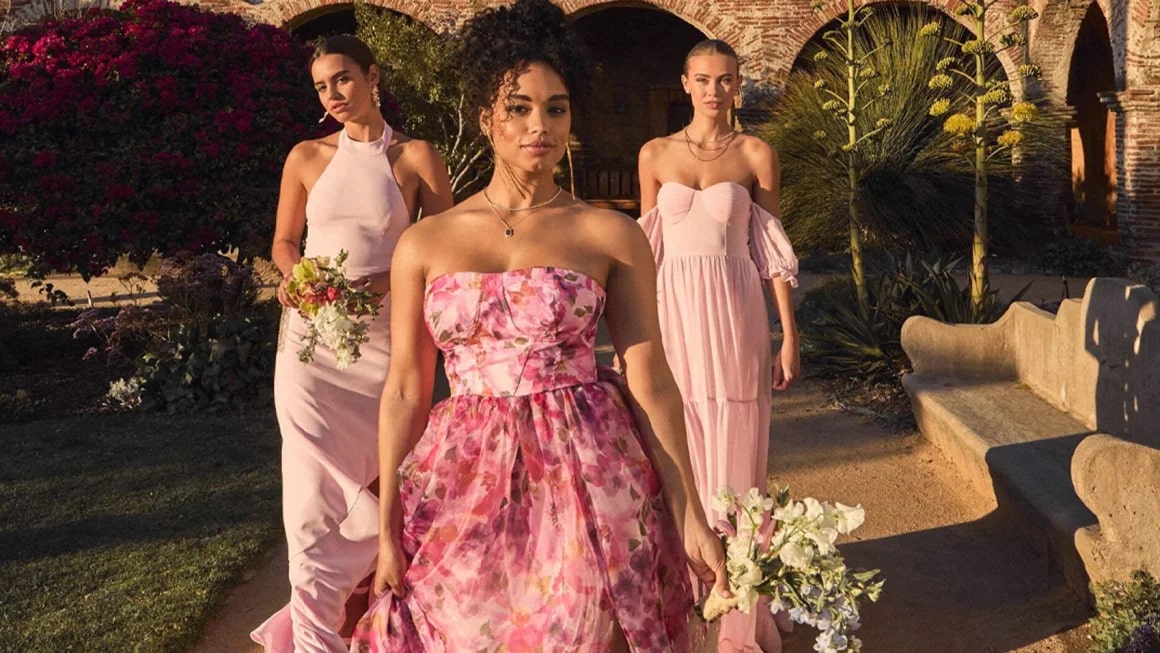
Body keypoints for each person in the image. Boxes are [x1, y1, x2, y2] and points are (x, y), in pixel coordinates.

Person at [348, 1, 728, 650]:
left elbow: (652, 379)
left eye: (556, 107)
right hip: (462, 481)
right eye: (519, 107)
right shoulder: (426, 242)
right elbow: (408, 391)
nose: (539, 125)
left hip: (588, 473)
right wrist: (386, 530)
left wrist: (690, 509)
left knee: (577, 632)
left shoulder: (610, 232)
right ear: (485, 118)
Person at [251, 35, 453, 653]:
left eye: (342, 79)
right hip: (311, 348)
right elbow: (285, 243)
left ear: (373, 75)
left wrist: (391, 279)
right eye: (321, 86)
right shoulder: (307, 157)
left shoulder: (417, 156)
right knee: (310, 500)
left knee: (387, 484)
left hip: (387, 349)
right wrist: (296, 279)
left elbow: (450, 251)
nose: (333, 95)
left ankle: (382, 627)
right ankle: (315, 642)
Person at [636, 39, 801, 653]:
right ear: (684, 83)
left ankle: (737, 615)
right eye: (702, 79)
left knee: (734, 458)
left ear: (738, 84)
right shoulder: (654, 154)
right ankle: (684, 602)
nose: (714, 90)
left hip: (736, 317)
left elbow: (771, 253)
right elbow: (644, 258)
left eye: (725, 80)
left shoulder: (757, 153)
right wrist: (639, 339)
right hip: (674, 317)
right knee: (677, 449)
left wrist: (788, 334)